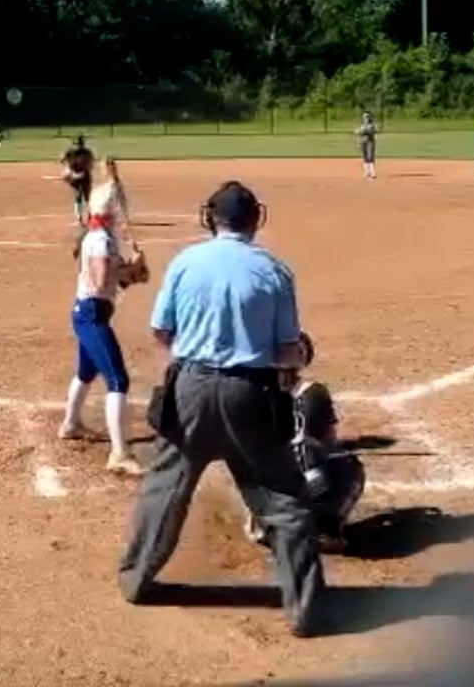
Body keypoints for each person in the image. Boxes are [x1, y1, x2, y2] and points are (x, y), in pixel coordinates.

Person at [117, 180, 327, 638]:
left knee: (164, 488)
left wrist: (197, 352)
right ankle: (306, 611)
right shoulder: (274, 269)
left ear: (210, 218)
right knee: (283, 502)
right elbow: (287, 351)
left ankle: (135, 580)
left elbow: (161, 331)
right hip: (249, 393)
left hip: (189, 388)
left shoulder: (185, 261)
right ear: (255, 219)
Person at [242, 331, 364, 553]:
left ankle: (277, 522)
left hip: (279, 484)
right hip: (290, 480)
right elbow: (326, 441)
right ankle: (320, 525)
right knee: (344, 464)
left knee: (325, 457)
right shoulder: (310, 393)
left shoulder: (252, 390)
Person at [60, 158, 144, 476]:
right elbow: (99, 284)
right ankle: (119, 453)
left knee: (86, 371)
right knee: (118, 380)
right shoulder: (100, 241)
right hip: (92, 315)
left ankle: (71, 424)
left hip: (91, 314)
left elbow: (121, 281)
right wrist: (126, 270)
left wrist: (134, 270)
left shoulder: (99, 237)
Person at [60, 134, 95, 226]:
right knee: (78, 196)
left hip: (84, 176)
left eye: (80, 144)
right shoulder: (71, 152)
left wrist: (83, 170)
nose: (79, 146)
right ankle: (80, 218)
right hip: (76, 177)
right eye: (78, 144)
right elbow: (62, 159)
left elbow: (91, 164)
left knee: (87, 197)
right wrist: (68, 169)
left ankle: (89, 217)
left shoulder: (86, 153)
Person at [355, 111, 379, 180]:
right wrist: (359, 132)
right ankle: (366, 172)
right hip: (363, 141)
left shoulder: (372, 125)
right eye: (364, 117)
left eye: (367, 117)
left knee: (370, 156)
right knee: (365, 156)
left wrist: (364, 131)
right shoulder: (362, 125)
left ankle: (372, 172)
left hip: (370, 141)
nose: (365, 118)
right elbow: (358, 132)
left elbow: (374, 130)